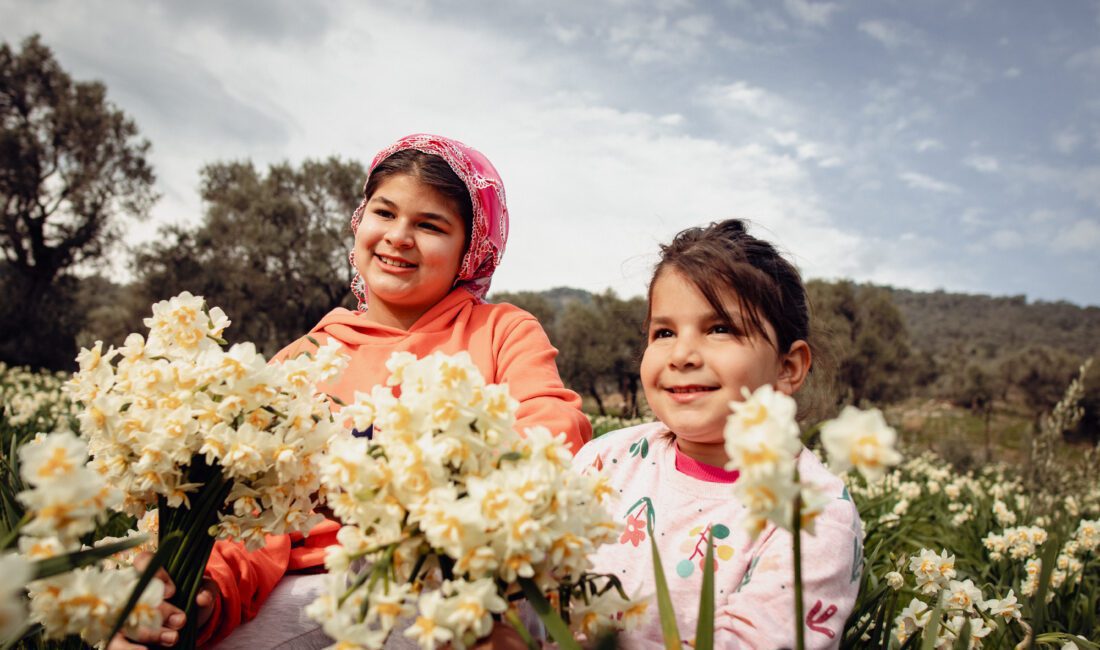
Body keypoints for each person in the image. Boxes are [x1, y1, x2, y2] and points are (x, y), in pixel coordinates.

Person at [110, 134, 589, 649]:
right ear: (361, 221)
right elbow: (252, 519)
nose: (399, 236)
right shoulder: (301, 361)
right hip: (308, 588)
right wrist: (210, 591)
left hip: (453, 578)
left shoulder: (501, 331)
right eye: (385, 213)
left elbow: (554, 433)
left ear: (469, 252)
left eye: (430, 225)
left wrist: (402, 489)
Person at [572, 220, 862, 648]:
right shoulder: (606, 459)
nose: (683, 355)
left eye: (720, 328)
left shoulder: (813, 514)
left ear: (788, 368)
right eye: (664, 332)